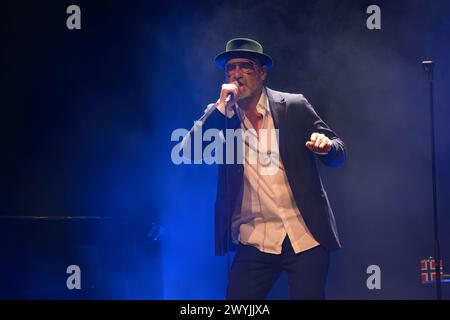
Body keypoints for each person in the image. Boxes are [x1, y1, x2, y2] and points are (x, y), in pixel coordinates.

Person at [195, 38, 346, 300]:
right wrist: (220, 109)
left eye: (246, 67)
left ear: (262, 73)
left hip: (304, 235)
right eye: (231, 68)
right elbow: (192, 151)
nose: (237, 75)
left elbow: (339, 151)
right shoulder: (221, 116)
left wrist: (328, 147)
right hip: (255, 239)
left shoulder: (293, 106)